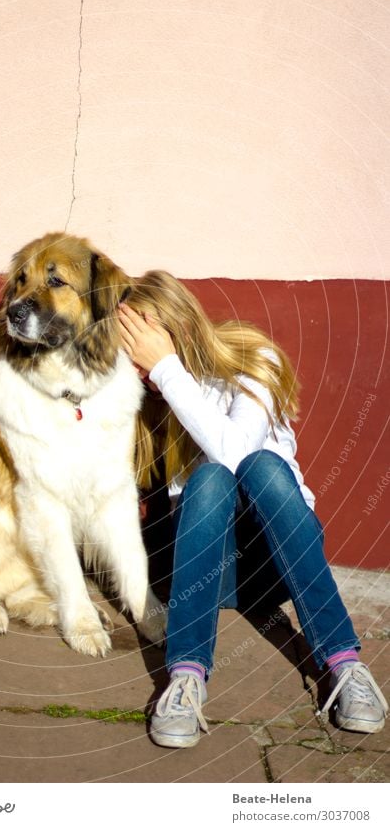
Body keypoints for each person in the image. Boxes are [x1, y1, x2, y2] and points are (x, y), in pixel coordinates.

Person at [117, 271, 388, 749]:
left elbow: (236, 452)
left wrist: (166, 370)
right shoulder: (151, 403)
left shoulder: (252, 360)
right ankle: (185, 677)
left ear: (175, 329)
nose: (139, 365)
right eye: (129, 354)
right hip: (207, 577)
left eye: (143, 345)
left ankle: (343, 663)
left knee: (258, 465)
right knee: (209, 479)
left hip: (281, 563)